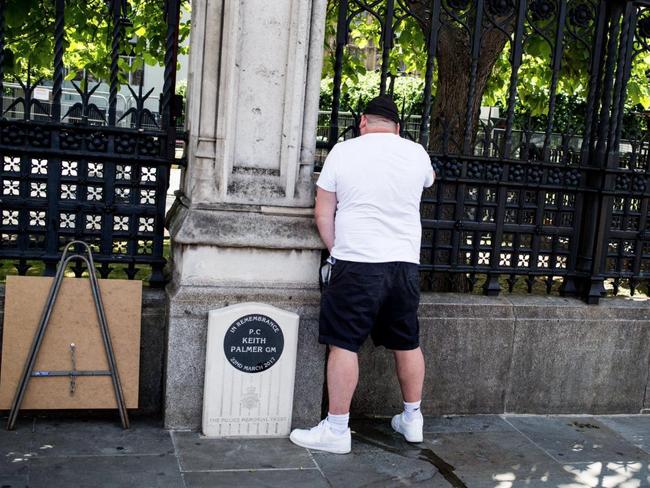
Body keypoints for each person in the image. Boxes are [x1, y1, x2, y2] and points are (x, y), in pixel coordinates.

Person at [289, 94, 435, 454]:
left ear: (363, 123)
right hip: (404, 263)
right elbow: (427, 182)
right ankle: (412, 418)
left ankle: (337, 429)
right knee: (407, 341)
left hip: (357, 262)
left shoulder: (345, 150)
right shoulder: (416, 152)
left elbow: (323, 213)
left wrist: (337, 250)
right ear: (397, 127)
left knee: (344, 342)